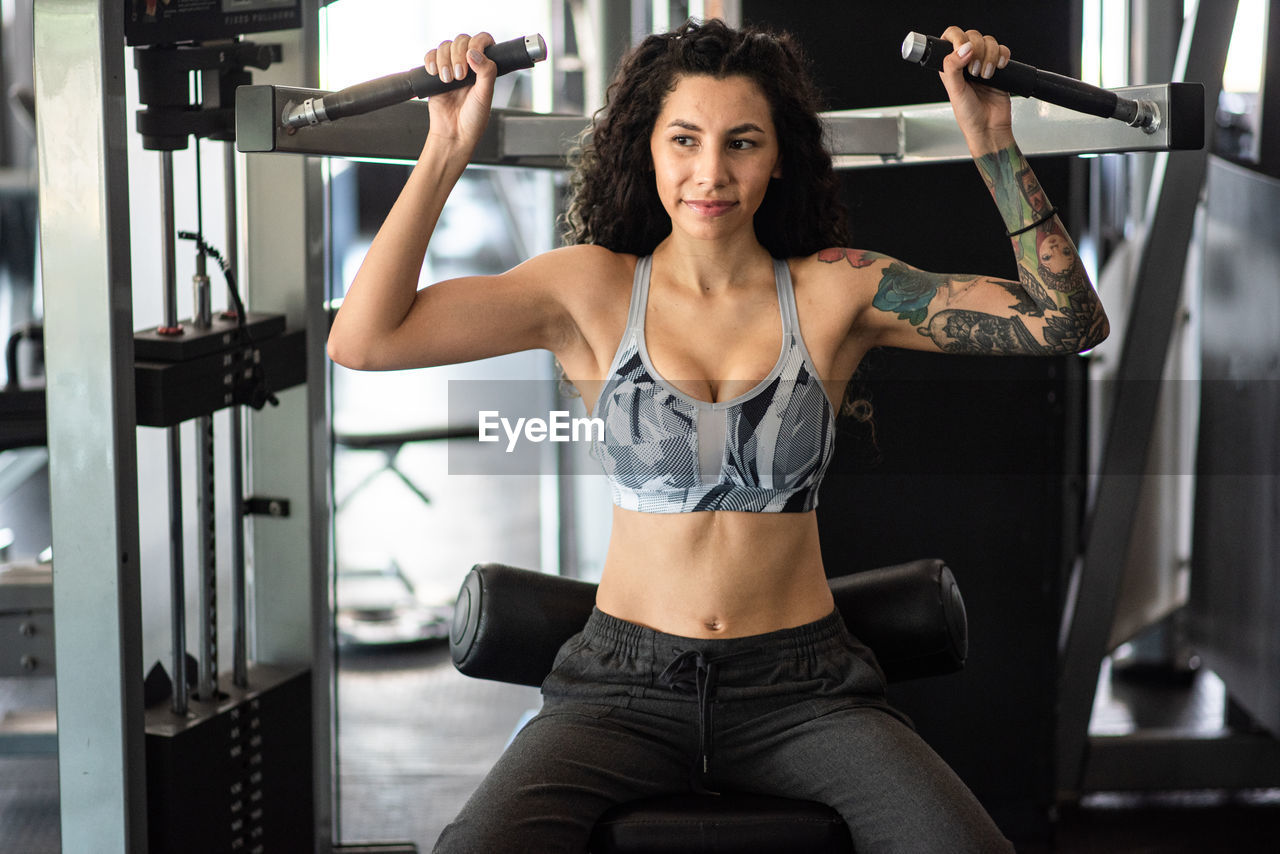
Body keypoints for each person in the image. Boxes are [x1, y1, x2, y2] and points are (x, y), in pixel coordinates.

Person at [327, 18, 1108, 853]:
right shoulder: (589, 289)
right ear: (648, 150)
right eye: (685, 140)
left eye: (742, 142)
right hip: (619, 687)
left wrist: (992, 138)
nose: (711, 172)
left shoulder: (836, 293)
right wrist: (447, 146)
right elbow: (365, 340)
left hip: (803, 687)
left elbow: (1066, 321)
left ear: (778, 157)